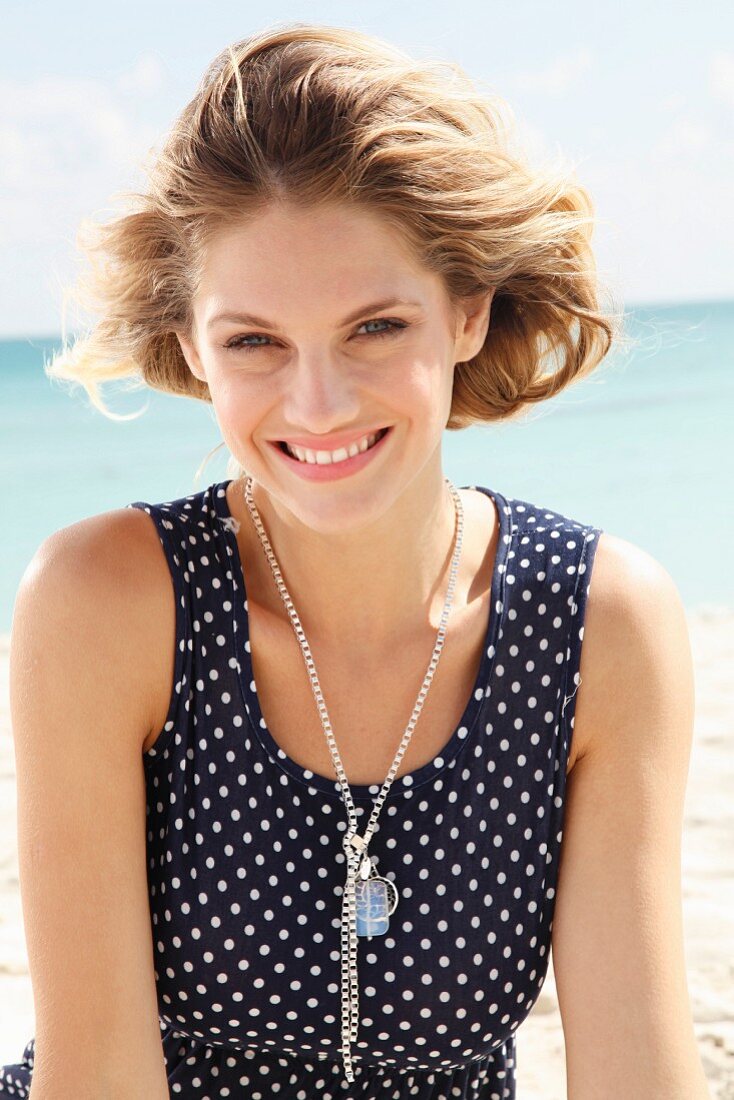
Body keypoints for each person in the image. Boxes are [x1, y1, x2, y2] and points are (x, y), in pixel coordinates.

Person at [1, 22, 711, 1100]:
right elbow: (96, 1076)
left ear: (465, 310)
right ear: (193, 345)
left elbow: (635, 1079)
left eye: (374, 326)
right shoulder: (105, 602)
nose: (317, 402)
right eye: (254, 341)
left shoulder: (597, 621)